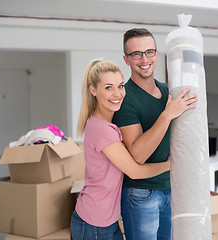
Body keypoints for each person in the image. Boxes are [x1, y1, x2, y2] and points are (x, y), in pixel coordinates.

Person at [70, 58, 171, 240]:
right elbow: (135, 171)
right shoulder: (103, 130)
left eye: (121, 86)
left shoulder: (103, 124)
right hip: (95, 223)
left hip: (105, 220)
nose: (117, 94)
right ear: (93, 90)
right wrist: (171, 164)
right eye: (108, 87)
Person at [112, 28, 198, 240]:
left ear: (157, 54)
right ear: (126, 59)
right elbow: (137, 156)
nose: (144, 59)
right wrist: (167, 115)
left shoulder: (170, 91)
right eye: (136, 54)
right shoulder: (125, 98)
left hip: (171, 187)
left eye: (149, 52)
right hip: (141, 194)